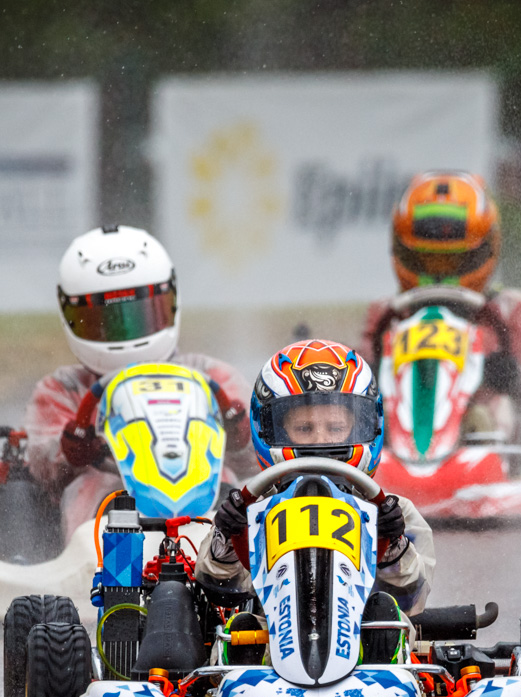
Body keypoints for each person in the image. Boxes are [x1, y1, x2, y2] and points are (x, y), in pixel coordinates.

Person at [196, 339, 436, 663]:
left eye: (335, 427)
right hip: (272, 652)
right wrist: (227, 536)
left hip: (366, 651)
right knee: (241, 627)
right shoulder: (251, 509)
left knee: (385, 616)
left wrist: (393, 544)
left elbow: (412, 598)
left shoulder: (395, 512)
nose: (321, 440)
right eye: (304, 428)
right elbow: (217, 588)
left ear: (368, 425)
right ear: (270, 429)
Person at [25, 225, 257, 541]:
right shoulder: (64, 389)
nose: (126, 330)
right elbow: (43, 474)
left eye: (140, 313)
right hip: (109, 506)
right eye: (108, 320)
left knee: (229, 483)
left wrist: (240, 437)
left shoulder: (210, 376)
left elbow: (257, 466)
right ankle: (98, 564)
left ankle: (230, 555)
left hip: (204, 506)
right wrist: (72, 452)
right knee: (90, 486)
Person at [360, 171, 521, 440]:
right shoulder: (386, 313)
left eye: (453, 261)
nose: (440, 274)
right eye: (428, 261)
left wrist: (514, 376)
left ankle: (482, 447)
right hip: (398, 433)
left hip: (484, 436)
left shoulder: (510, 308)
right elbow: (351, 382)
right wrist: (369, 372)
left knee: (499, 408)